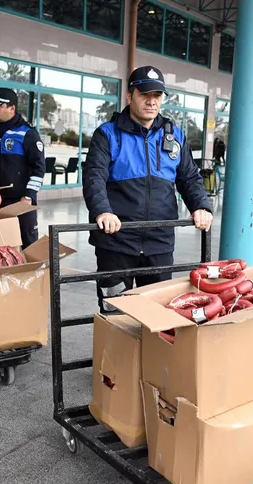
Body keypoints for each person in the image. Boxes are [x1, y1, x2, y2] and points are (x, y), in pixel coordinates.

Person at [82, 66, 213, 313]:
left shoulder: (175, 136)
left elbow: (189, 177)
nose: (151, 101)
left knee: (157, 313)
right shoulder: (107, 134)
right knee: (115, 312)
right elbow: (94, 177)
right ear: (129, 96)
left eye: (157, 95)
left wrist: (201, 206)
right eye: (144, 94)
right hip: (116, 241)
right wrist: (103, 211)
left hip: (159, 242)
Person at [0, 88, 45, 248]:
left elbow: (39, 168)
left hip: (22, 200)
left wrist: (29, 196)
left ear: (12, 108)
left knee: (29, 243)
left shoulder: (27, 133)